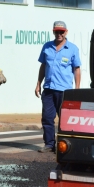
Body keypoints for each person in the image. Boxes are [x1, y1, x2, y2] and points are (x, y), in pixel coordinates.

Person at [35, 21, 81, 153]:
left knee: (64, 119)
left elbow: (76, 69)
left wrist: (76, 89)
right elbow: (43, 66)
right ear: (53, 31)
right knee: (47, 118)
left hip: (65, 91)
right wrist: (38, 83)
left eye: (62, 31)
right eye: (57, 31)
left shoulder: (72, 49)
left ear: (66, 32)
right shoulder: (47, 47)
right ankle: (49, 144)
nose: (59, 34)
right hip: (48, 89)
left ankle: (63, 145)